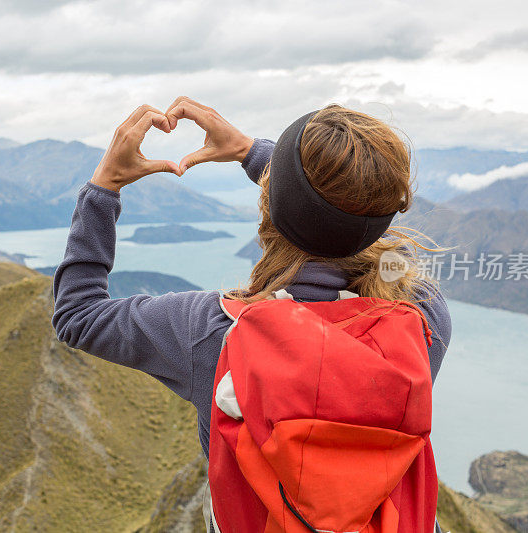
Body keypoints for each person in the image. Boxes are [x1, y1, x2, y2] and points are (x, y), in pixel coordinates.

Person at [51, 97, 451, 531]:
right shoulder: (420, 316)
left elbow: (78, 314)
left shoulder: (213, 332)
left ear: (269, 205)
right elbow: (372, 235)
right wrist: (253, 153)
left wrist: (104, 186)